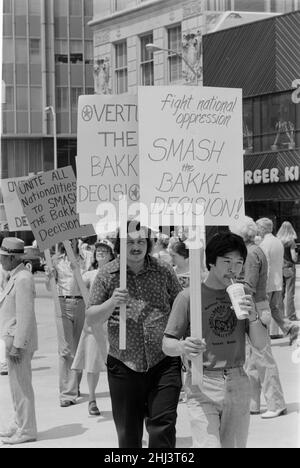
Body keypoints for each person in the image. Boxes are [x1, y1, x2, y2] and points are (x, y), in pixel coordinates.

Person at [163, 232, 268, 448]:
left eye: (239, 262)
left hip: (237, 380)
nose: (234, 268)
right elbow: (167, 344)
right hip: (202, 381)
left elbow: (260, 344)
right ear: (211, 262)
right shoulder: (189, 296)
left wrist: (254, 317)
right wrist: (183, 346)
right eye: (227, 261)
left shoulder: (244, 293)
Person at [86, 221, 182, 448]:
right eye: (130, 242)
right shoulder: (108, 273)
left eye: (141, 241)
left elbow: (180, 306)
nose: (136, 246)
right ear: (121, 244)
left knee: (163, 428)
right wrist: (112, 302)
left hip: (164, 361)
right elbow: (92, 317)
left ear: (148, 243)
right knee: (128, 434)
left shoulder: (163, 270)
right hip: (124, 364)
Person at [232, 217, 287, 419]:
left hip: (253, 306)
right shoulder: (254, 251)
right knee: (253, 361)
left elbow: (249, 285)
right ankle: (254, 403)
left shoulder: (250, 253)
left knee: (262, 359)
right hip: (256, 306)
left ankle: (276, 403)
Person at [0, 237, 38, 445]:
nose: (1, 260)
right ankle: (18, 422)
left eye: (4, 257)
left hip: (18, 343)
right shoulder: (14, 275)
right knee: (16, 387)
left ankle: (27, 430)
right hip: (12, 341)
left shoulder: (23, 278)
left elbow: (25, 316)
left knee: (22, 387)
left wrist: (18, 346)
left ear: (13, 258)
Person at [72, 239, 115, 416]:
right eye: (98, 250)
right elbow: (77, 287)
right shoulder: (90, 274)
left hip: (113, 324)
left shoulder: (117, 274)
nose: (101, 253)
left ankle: (119, 397)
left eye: (105, 250)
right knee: (91, 363)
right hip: (94, 324)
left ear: (112, 254)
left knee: (116, 365)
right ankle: (91, 398)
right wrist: (74, 271)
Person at [45, 240, 87, 407]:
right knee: (65, 351)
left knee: (78, 349)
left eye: (71, 238)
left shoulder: (86, 258)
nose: (69, 241)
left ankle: (74, 386)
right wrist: (49, 276)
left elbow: (90, 282)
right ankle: (67, 394)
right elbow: (49, 287)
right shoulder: (55, 259)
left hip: (81, 303)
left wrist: (78, 268)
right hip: (62, 303)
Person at [256, 218, 299, 345]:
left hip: (268, 283)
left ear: (263, 229)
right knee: (274, 310)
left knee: (263, 311)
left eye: (258, 228)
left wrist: (261, 283)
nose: (257, 230)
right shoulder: (277, 242)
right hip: (277, 282)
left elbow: (266, 265)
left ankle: (262, 338)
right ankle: (290, 328)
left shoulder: (264, 244)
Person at [276, 221, 298, 321]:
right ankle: (291, 315)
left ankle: (280, 314)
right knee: (290, 292)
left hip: (280, 268)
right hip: (289, 268)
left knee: (280, 292)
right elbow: (294, 258)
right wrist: (296, 257)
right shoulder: (291, 242)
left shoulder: (277, 241)